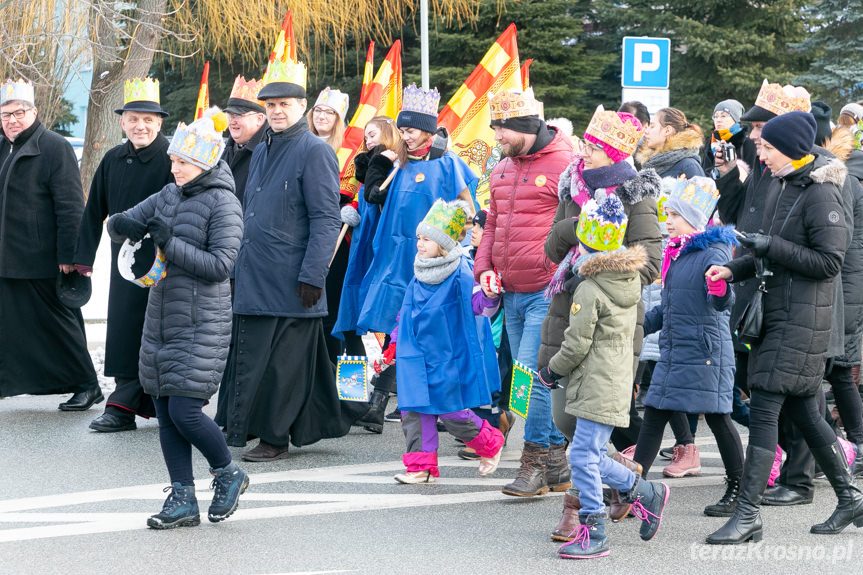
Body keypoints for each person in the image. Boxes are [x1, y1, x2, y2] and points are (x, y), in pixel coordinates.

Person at [705, 111, 862, 544]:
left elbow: (829, 263)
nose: (760, 152)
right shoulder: (781, 184)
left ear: (792, 149)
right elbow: (766, 252)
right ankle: (850, 496)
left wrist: (770, 245)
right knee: (806, 412)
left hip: (804, 319)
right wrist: (732, 270)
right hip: (778, 312)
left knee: (765, 409)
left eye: (767, 147)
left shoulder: (822, 192)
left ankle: (748, 514)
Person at [107, 108, 247, 529]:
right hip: (162, 317)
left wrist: (170, 243)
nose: (174, 167)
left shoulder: (224, 202)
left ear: (203, 162)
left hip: (202, 321)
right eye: (173, 161)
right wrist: (122, 224)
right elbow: (125, 221)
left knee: (186, 411)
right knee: (166, 413)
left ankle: (227, 472)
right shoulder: (170, 193)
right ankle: (182, 497)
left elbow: (222, 265)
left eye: (182, 162)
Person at [215, 57, 351, 461]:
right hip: (255, 273)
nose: (276, 111)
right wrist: (236, 268)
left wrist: (313, 274)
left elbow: (326, 218)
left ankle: (274, 437)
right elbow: (247, 213)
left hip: (293, 279)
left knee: (282, 365)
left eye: (284, 104)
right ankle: (248, 425)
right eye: (270, 105)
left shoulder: (314, 151)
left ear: (300, 108)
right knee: (252, 355)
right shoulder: (260, 150)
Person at [543, 106, 662, 535]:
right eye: (585, 144)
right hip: (566, 309)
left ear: (612, 153)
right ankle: (635, 487)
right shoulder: (571, 185)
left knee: (587, 419)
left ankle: (578, 509)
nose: (583, 152)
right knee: (565, 417)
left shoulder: (637, 192)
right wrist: (579, 228)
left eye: (593, 147)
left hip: (614, 317)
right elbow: (552, 252)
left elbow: (652, 261)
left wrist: (601, 261)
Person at [537, 194, 669, 559]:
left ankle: (595, 531)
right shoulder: (625, 278)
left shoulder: (590, 287)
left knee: (582, 455)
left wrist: (551, 371)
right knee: (589, 454)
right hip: (611, 381)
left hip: (595, 381)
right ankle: (643, 492)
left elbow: (576, 342)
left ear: (583, 243)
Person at [354, 84, 478, 431]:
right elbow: (375, 196)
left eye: (408, 130)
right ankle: (382, 403)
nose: (404, 137)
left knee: (429, 333)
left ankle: (442, 406)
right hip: (395, 260)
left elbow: (468, 210)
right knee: (395, 330)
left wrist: (448, 240)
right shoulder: (399, 162)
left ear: (426, 129)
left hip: (432, 264)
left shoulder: (449, 164)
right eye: (402, 131)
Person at [473, 88, 574, 497]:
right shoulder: (503, 167)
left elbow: (577, 228)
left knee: (531, 377)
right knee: (524, 377)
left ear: (525, 128)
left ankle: (532, 464)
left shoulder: (566, 164)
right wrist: (484, 269)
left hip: (547, 290)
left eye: (500, 128)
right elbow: (493, 225)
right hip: (510, 290)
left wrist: (561, 270)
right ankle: (555, 463)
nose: (496, 136)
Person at [630, 176, 745, 518]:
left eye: (675, 215)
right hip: (676, 348)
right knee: (653, 415)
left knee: (720, 416)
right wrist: (635, 328)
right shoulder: (678, 252)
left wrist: (720, 287)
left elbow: (725, 298)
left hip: (705, 350)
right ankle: (633, 489)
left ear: (694, 220)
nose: (668, 220)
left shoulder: (714, 250)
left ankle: (738, 488)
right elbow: (667, 308)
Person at [74, 77, 172, 432]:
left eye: (148, 120)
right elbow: (93, 210)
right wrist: (82, 258)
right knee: (125, 329)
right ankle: (121, 406)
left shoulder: (173, 158)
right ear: (122, 122)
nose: (140, 126)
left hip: (166, 260)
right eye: (133, 119)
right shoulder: (113, 159)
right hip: (124, 264)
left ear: (160, 122)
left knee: (164, 331)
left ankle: (171, 407)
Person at [0, 78, 102, 409]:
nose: (12, 120)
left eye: (18, 113)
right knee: (11, 327)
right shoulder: (3, 146)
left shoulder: (54, 147)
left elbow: (71, 206)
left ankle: (88, 384)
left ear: (34, 112)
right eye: (5, 115)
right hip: (8, 257)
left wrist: (70, 255)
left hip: (42, 258)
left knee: (61, 325)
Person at [392, 199, 505, 483]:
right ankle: (420, 466)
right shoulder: (419, 270)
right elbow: (405, 313)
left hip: (445, 354)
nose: (419, 244)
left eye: (427, 239)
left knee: (451, 411)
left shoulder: (459, 271)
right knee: (413, 410)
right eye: (419, 237)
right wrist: (393, 344)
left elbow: (477, 304)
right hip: (415, 353)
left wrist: (490, 294)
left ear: (442, 244)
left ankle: (490, 443)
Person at [331, 116, 401, 394]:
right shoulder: (368, 170)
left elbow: (379, 199)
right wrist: (351, 211)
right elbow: (365, 199)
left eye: (373, 134)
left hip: (382, 255)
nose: (368, 139)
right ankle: (352, 394)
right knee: (349, 320)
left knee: (389, 323)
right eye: (366, 135)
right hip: (359, 254)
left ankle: (382, 393)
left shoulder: (395, 169)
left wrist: (379, 166)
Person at [222, 75, 268, 205]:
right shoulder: (223, 149)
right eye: (230, 115)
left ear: (259, 119)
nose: (232, 121)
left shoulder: (270, 151)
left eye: (238, 115)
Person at [636, 107, 705, 178]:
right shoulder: (650, 163)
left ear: (667, 131)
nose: (646, 131)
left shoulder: (689, 167)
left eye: (652, 126)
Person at [702, 99, 757, 179]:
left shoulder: (748, 143)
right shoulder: (710, 143)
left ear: (736, 118)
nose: (718, 120)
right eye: (716, 116)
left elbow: (753, 177)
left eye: (723, 116)